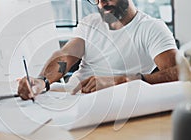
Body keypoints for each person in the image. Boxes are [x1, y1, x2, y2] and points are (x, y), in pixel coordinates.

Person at [17, 0, 178, 100]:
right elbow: (65, 57)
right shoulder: (90, 23)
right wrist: (42, 81)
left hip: (113, 106)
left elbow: (180, 72)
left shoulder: (151, 28)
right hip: (71, 99)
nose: (101, 3)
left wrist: (123, 81)